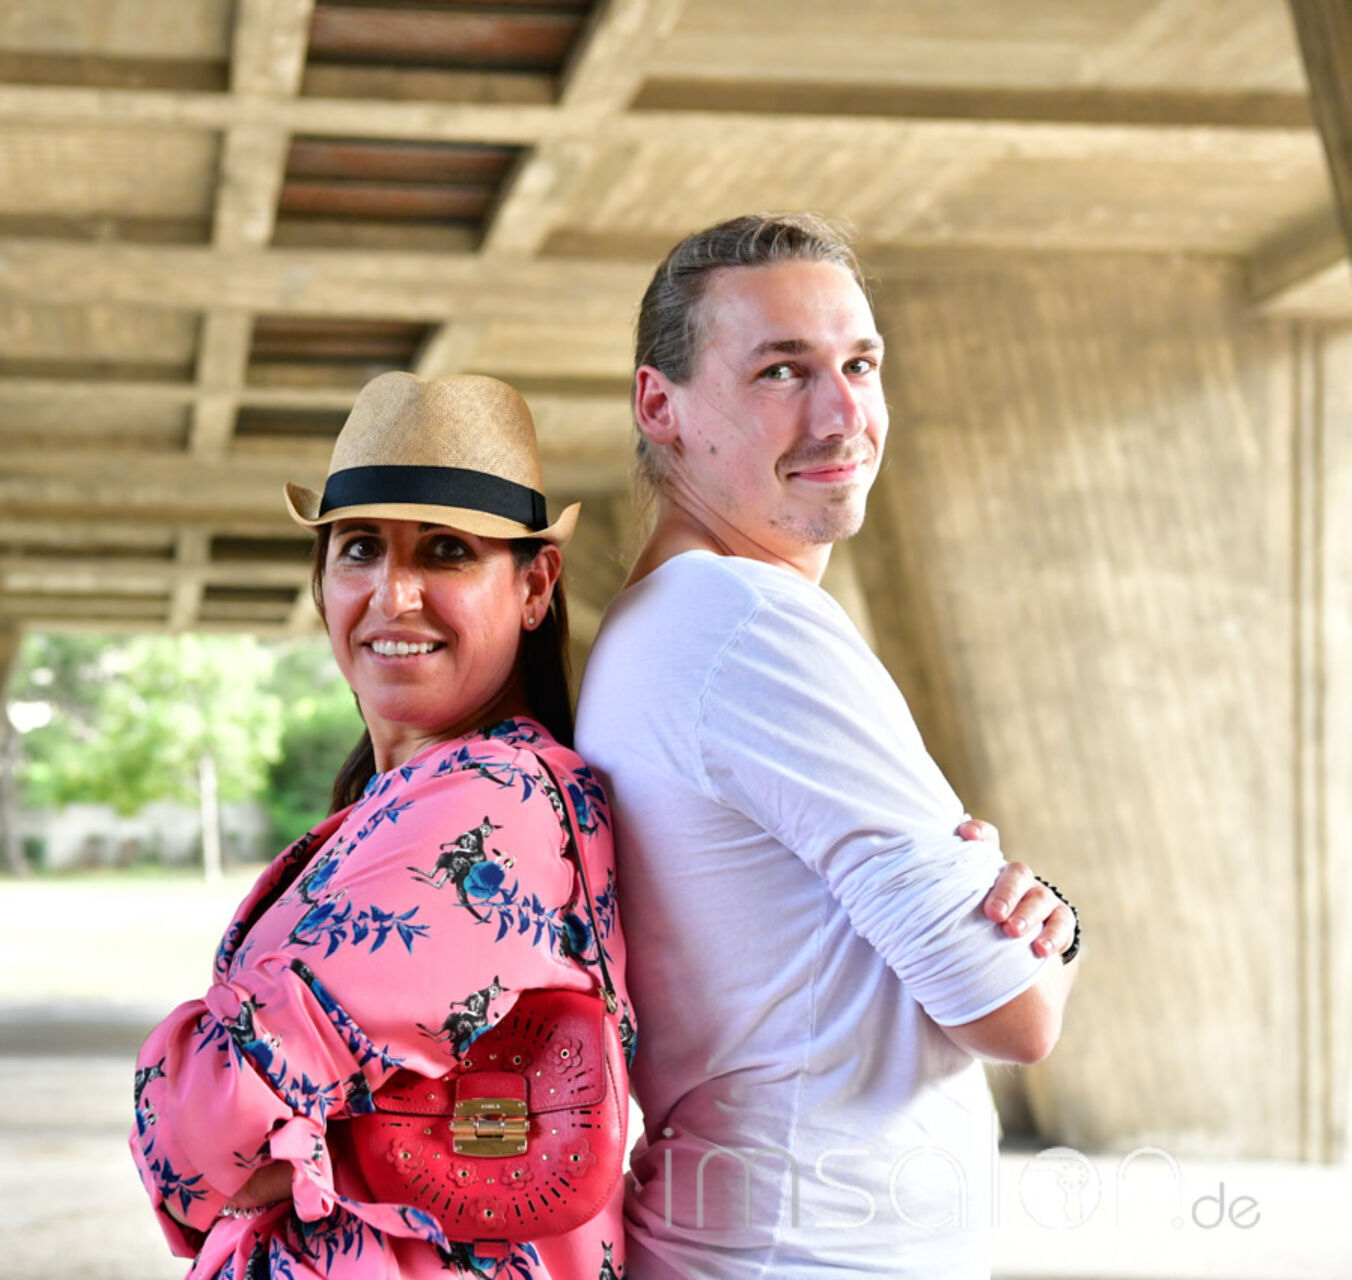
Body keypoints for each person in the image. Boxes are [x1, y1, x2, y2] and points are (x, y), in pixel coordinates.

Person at [572, 214, 1082, 1277]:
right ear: (659, 405)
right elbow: (1012, 1011)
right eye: (781, 371)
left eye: (860, 364)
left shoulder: (664, 621)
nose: (844, 413)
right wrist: (1054, 928)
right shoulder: (747, 626)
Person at [130, 371, 635, 1279]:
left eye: (446, 552)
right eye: (360, 548)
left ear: (534, 585)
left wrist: (296, 1139)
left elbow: (192, 1135)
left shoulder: (490, 808)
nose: (393, 595)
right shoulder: (408, 799)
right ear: (321, 582)